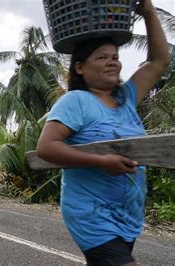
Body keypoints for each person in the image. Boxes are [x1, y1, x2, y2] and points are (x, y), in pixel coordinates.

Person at [36, 1, 169, 265]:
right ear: (80, 68)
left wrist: (149, 12)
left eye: (115, 57)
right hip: (92, 215)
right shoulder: (76, 101)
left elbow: (159, 60)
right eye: (102, 57)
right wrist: (102, 162)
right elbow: (46, 147)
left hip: (127, 216)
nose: (112, 63)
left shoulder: (127, 98)